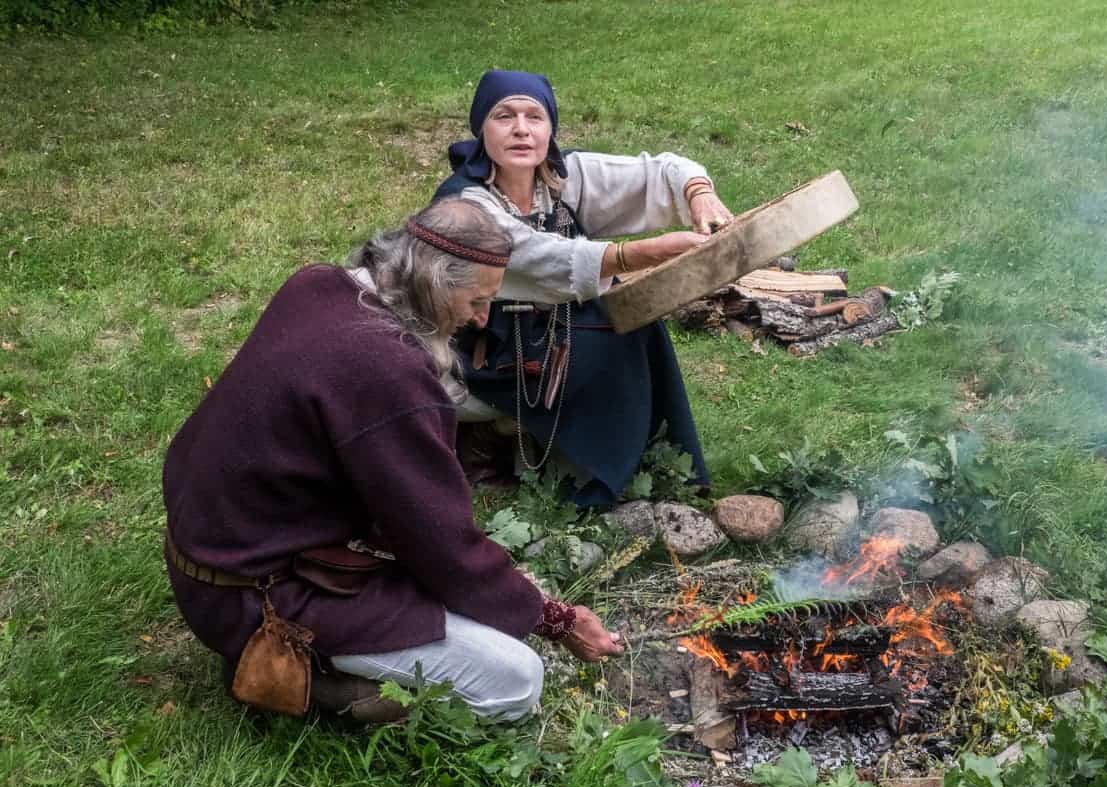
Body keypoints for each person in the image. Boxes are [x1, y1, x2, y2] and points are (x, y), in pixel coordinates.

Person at [162, 198, 623, 722]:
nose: (480, 318)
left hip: (211, 556)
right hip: (255, 598)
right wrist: (555, 620)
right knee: (516, 679)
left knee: (451, 605)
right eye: (478, 299)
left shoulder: (318, 283)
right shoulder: (387, 371)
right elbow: (444, 547)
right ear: (434, 280)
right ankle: (318, 686)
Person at [434, 69, 736, 507]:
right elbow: (534, 256)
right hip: (484, 348)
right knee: (601, 344)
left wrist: (699, 192)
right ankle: (585, 481)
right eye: (504, 116)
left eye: (534, 117)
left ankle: (649, 466)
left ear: (550, 128)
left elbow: (661, 170)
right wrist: (637, 255)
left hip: (550, 324)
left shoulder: (563, 175)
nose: (521, 129)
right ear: (482, 128)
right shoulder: (464, 202)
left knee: (637, 321)